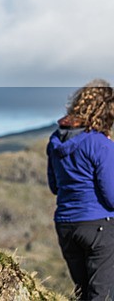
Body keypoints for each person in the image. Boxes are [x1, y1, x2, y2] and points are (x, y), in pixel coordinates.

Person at [48, 79, 114, 300]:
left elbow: (54, 186)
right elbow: (111, 196)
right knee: (102, 294)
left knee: (83, 291)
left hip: (65, 225)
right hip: (98, 226)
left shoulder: (55, 141)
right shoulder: (100, 144)